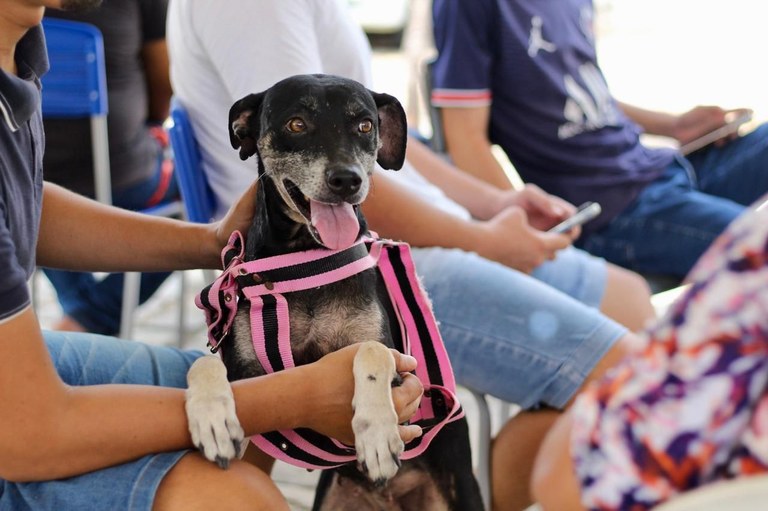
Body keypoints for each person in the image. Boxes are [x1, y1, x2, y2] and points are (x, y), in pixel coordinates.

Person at [167, 0, 652, 507]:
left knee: (631, 297)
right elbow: (335, 166)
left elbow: (377, 143)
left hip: (433, 232)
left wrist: (494, 204)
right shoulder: (255, 9)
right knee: (628, 378)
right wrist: (488, 242)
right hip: (350, 261)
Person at [0, 2, 423, 510]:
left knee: (229, 390)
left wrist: (213, 241)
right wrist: (299, 397)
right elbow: (26, 432)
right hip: (22, 423)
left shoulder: (19, 47)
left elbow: (23, 203)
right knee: (239, 496)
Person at [431, 0, 768, 281]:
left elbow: (584, 95)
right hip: (610, 213)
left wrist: (674, 125)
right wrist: (528, 235)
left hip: (657, 168)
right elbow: (465, 139)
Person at [531, 194, 768, 510]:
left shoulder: (755, 259)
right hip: (620, 202)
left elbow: (568, 482)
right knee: (622, 321)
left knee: (620, 332)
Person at [41, 0, 181, 335]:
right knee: (197, 194)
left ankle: (81, 317)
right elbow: (165, 84)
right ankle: (88, 319)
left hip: (27, 173)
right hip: (122, 174)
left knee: (30, 208)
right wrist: (147, 125)